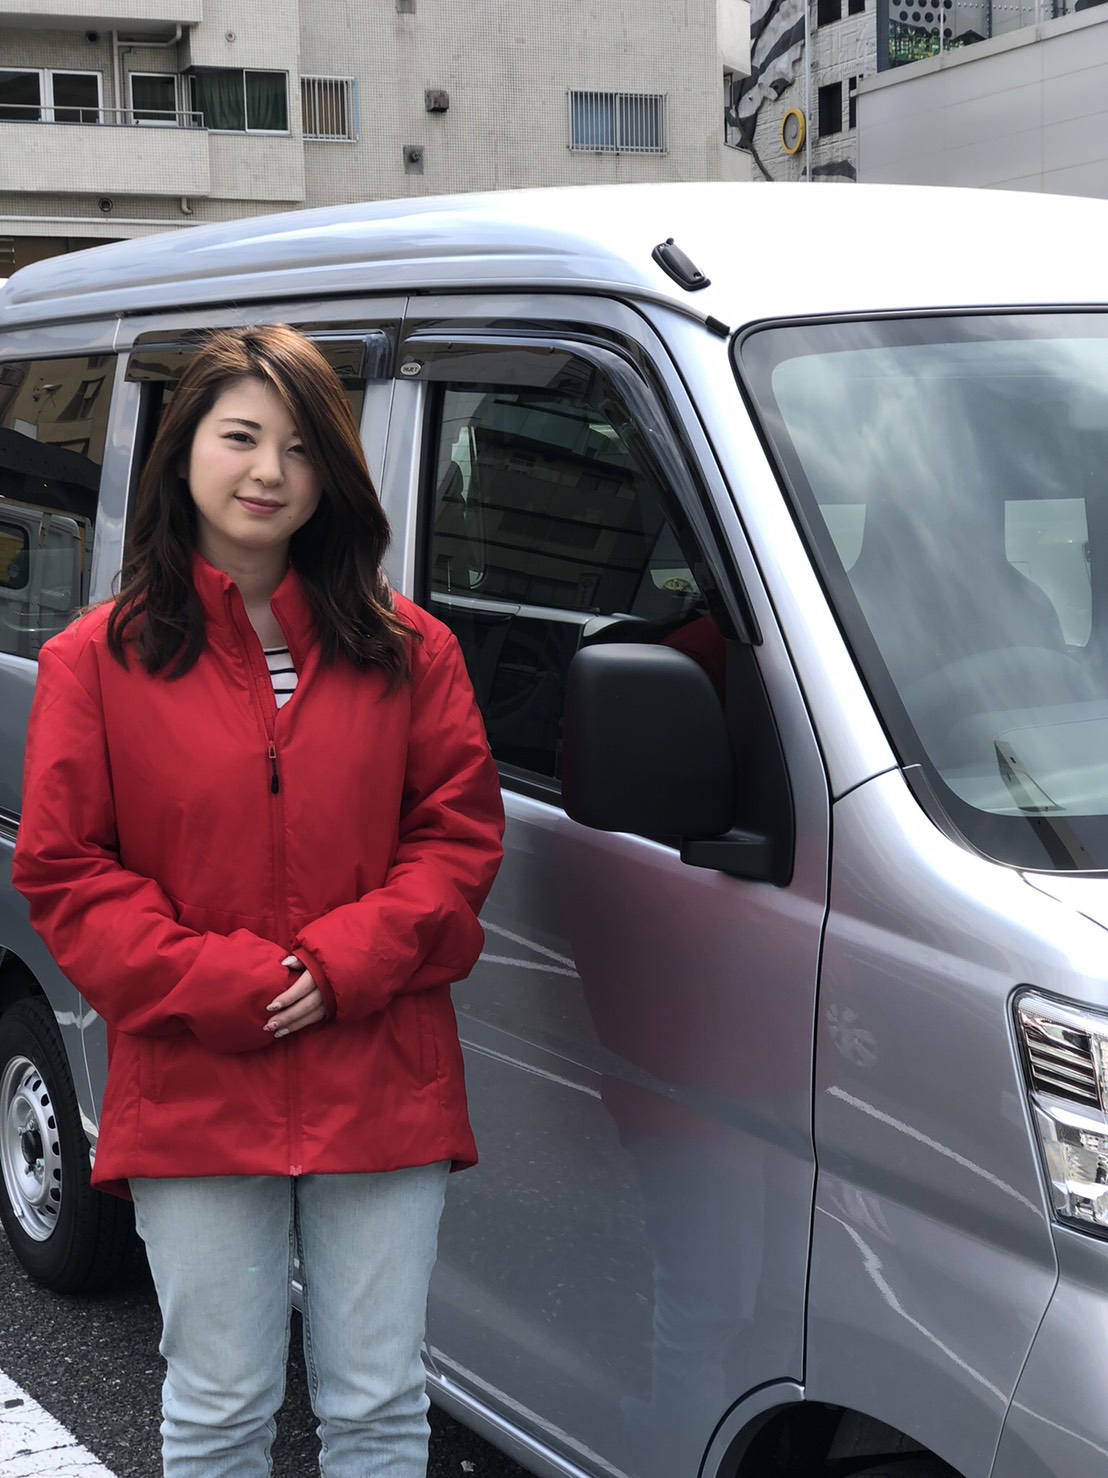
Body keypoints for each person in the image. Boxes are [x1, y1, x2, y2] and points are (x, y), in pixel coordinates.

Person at [11, 324, 505, 1478]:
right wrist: (225, 981)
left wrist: (340, 964)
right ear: (183, 448)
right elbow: (66, 871)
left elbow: (456, 837)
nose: (269, 471)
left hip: (378, 1068)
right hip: (195, 1072)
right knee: (219, 1402)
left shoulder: (410, 649)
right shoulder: (96, 660)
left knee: (377, 1399)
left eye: (299, 445)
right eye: (240, 436)